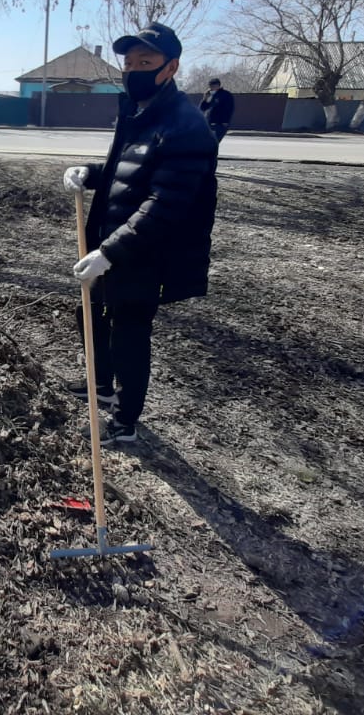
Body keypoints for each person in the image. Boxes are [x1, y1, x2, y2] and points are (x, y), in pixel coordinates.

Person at [62, 23, 218, 446]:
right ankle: (100, 386)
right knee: (89, 314)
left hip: (148, 252)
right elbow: (124, 173)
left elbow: (165, 204)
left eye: (145, 62)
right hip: (114, 242)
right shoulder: (138, 113)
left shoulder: (186, 126)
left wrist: (109, 253)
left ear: (171, 68)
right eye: (129, 63)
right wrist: (89, 172)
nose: (133, 70)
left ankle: (125, 421)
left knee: (129, 333)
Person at [199, 77, 235, 144]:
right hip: (209, 122)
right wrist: (205, 99)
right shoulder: (209, 94)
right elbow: (202, 108)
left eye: (213, 86)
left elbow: (229, 108)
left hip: (220, 123)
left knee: (214, 142)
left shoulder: (226, 95)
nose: (211, 88)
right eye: (210, 86)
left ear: (218, 86)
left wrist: (225, 121)